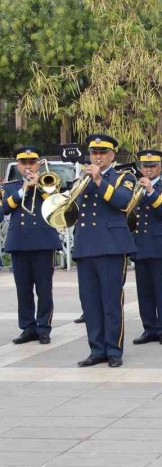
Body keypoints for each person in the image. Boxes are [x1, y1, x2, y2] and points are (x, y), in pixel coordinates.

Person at [72, 133, 137, 368]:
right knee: (89, 303)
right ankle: (96, 349)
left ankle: (114, 350)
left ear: (111, 155)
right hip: (86, 246)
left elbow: (122, 201)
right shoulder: (83, 178)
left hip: (111, 246)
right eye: (93, 153)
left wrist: (99, 180)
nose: (97, 157)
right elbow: (72, 210)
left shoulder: (124, 177)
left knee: (111, 302)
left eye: (102, 153)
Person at [3, 147, 63, 345]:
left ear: (38, 164)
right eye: (24, 163)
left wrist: (40, 186)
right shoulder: (11, 187)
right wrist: (24, 190)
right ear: (18, 166)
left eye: (32, 163)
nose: (28, 166)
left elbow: (57, 204)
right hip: (19, 242)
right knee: (23, 290)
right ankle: (28, 327)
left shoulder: (49, 183)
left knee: (44, 289)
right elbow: (5, 208)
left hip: (43, 242)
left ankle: (44, 327)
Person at [131, 149, 162, 347]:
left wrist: (151, 190)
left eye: (152, 166)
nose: (148, 170)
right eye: (145, 167)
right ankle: (148, 328)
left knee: (161, 290)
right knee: (144, 291)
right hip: (140, 245)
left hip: (160, 247)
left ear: (159, 167)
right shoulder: (135, 188)